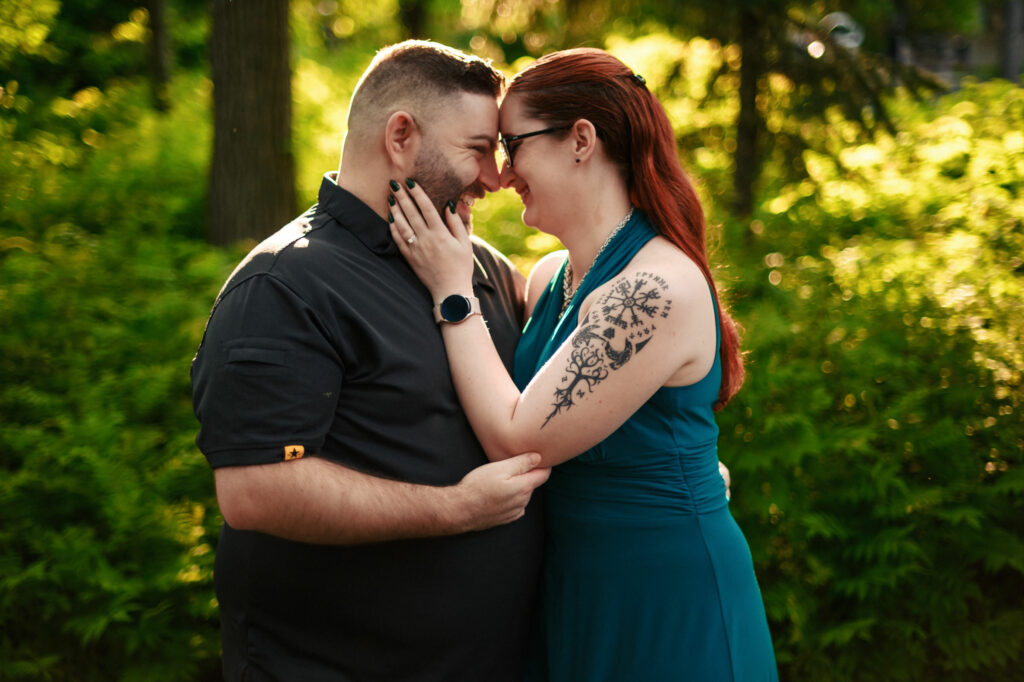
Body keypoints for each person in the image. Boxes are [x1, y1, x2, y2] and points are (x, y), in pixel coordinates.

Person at [388, 47, 778, 680]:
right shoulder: (547, 279)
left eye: (513, 146)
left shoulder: (655, 290)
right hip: (575, 588)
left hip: (665, 595)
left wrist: (451, 291)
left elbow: (516, 436)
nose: (503, 174)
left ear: (580, 140)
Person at [190, 41, 550, 681]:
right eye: (477, 149)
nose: (496, 178)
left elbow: (545, 413)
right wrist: (456, 509)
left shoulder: (484, 267)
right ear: (401, 136)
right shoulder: (284, 286)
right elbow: (256, 491)